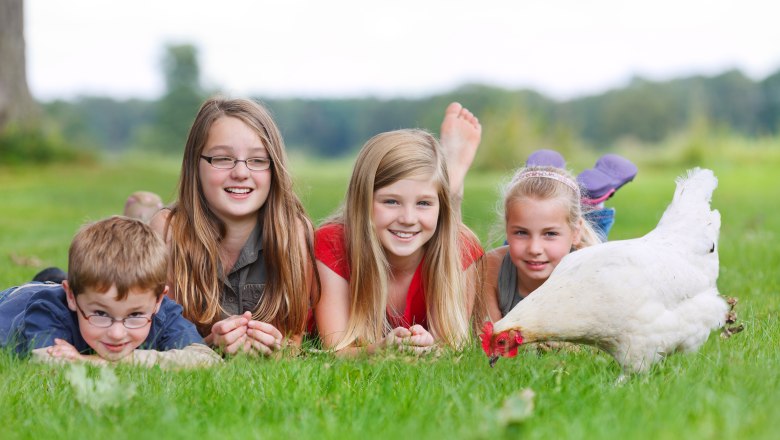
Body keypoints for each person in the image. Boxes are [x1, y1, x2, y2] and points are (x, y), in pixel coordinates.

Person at [149, 97, 316, 356]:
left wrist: (277, 347)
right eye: (222, 158)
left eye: (258, 160)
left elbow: (294, 336)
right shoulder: (169, 231)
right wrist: (209, 345)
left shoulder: (293, 233)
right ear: (195, 164)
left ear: (274, 169)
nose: (240, 173)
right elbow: (155, 336)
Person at [314, 103, 483, 355]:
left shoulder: (461, 248)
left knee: (451, 236)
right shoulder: (333, 243)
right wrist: (379, 350)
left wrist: (429, 348)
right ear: (363, 200)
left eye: (424, 203)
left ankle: (451, 184)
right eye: (391, 202)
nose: (408, 218)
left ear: (440, 206)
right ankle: (450, 184)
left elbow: (451, 346)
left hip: (447, 236)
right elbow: (336, 348)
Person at [0, 216, 221, 368]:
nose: (116, 333)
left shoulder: (163, 312)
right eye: (101, 313)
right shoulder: (49, 311)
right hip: (18, 300)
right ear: (72, 297)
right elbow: (46, 362)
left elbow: (206, 360)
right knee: (45, 287)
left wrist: (92, 362)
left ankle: (55, 277)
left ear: (158, 300)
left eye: (135, 315)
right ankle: (51, 278)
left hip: (73, 290)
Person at [482, 166, 602, 322]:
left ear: (575, 232)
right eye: (521, 232)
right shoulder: (490, 268)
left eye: (550, 234)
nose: (534, 249)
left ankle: (600, 208)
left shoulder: (590, 279)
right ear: (507, 228)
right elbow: (488, 333)